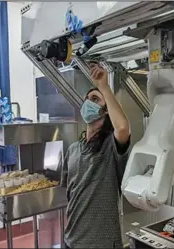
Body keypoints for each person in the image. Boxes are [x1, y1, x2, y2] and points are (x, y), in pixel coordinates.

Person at [60, 63, 131, 248]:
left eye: (95, 99)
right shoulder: (73, 149)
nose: (89, 102)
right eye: (87, 99)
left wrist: (103, 87)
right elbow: (70, 194)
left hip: (102, 242)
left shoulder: (110, 147)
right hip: (72, 239)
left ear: (106, 110)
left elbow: (122, 128)